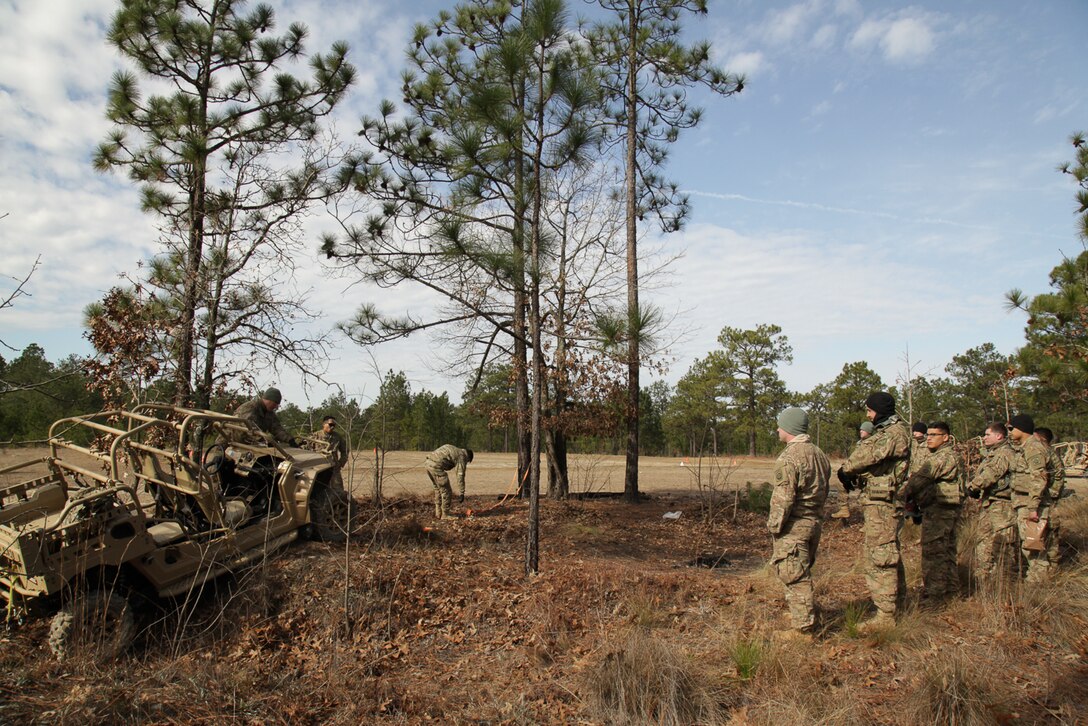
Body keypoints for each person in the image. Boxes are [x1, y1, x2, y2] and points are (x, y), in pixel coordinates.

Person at [837, 391, 911, 627]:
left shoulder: (893, 434)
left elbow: (864, 456)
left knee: (881, 557)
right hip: (879, 500)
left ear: (880, 410)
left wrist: (846, 470)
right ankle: (896, 605)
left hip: (884, 504)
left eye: (870, 410)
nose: (868, 414)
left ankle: (885, 616)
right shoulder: (888, 432)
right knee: (887, 553)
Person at [767, 407, 830, 637]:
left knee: (795, 576)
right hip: (814, 522)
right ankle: (801, 613)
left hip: (794, 525)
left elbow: (783, 499)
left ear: (789, 428)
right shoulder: (819, 453)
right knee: (802, 571)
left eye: (780, 425)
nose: (777, 429)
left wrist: (774, 527)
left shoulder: (789, 457)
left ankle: (803, 631)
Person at [899, 421, 964, 602]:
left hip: (939, 512)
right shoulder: (950, 455)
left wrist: (899, 494)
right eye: (928, 435)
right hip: (945, 511)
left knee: (933, 553)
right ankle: (951, 592)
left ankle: (934, 597)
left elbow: (918, 480)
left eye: (934, 435)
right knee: (947, 551)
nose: (929, 438)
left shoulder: (941, 458)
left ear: (945, 437)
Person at [966, 422, 1018, 585]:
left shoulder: (1003, 453)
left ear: (999, 436)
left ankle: (1005, 582)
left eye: (988, 435)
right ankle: (984, 579)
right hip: (990, 503)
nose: (984, 438)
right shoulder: (992, 453)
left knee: (1002, 544)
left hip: (1002, 505)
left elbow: (991, 473)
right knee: (984, 541)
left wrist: (973, 487)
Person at [1007, 414, 1055, 582]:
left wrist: (1033, 507)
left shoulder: (1033, 448)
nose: (1009, 432)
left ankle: (1039, 583)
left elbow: (1039, 478)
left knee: (1033, 545)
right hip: (1024, 502)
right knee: (1029, 545)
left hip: (1032, 505)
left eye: (1011, 428)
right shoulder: (1025, 447)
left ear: (1022, 428)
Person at [1034, 426, 1064, 570]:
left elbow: (1058, 478)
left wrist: (1049, 495)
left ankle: (1052, 568)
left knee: (1050, 535)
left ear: (1042, 438)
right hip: (1045, 500)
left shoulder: (1049, 454)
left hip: (1048, 502)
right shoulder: (1045, 453)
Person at [831, 421, 874, 520]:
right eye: (861, 429)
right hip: (858, 474)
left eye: (864, 429)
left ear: (869, 431)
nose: (861, 431)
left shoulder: (873, 444)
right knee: (840, 482)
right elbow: (853, 460)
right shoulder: (859, 444)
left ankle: (868, 522)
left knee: (867, 497)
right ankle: (844, 509)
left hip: (869, 476)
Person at [233, 387, 297, 445]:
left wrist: (289, 440)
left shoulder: (269, 413)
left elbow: (277, 429)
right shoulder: (249, 408)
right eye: (275, 403)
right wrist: (265, 441)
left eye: (277, 404)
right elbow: (249, 428)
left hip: (251, 444)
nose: (276, 406)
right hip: (232, 443)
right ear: (268, 399)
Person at [425, 444, 473, 520]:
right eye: (467, 462)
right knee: (446, 491)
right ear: (468, 457)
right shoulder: (462, 456)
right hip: (436, 467)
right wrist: (462, 493)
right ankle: (445, 515)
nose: (466, 463)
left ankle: (438, 513)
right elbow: (460, 475)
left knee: (438, 489)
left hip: (428, 463)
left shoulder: (454, 449)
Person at [315, 415, 350, 491]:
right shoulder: (315, 436)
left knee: (338, 491)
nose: (333, 427)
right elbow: (305, 449)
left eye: (334, 425)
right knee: (319, 491)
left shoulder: (337, 437)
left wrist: (340, 463)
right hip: (318, 469)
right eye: (330, 425)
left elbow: (345, 451)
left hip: (333, 468)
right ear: (324, 424)